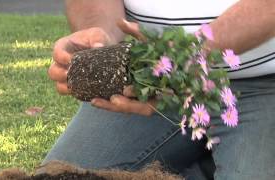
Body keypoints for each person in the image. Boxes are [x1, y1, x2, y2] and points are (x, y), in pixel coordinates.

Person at [46, 0, 275, 179]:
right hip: (150, 77)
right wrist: (98, 39)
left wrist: (188, 53)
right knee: (58, 176)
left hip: (260, 81)